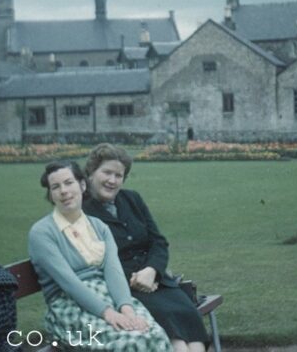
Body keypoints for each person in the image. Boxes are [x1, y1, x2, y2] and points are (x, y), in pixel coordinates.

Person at [28, 161, 172, 351]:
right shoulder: (42, 232)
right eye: (56, 187)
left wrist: (127, 309)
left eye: (68, 183)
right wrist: (109, 314)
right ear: (51, 194)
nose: (63, 191)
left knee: (154, 335)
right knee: (130, 343)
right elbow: (69, 282)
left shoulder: (99, 226)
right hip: (70, 305)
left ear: (82, 185)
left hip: (109, 296)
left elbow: (114, 272)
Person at [82, 144, 208, 352]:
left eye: (118, 175)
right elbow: (94, 261)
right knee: (175, 340)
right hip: (125, 290)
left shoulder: (132, 199)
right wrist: (137, 278)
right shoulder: (83, 210)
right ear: (91, 172)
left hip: (158, 283)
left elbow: (158, 242)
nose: (112, 180)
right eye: (106, 172)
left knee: (193, 331)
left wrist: (151, 271)